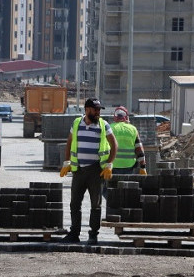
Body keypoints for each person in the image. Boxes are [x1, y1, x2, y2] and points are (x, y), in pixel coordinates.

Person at [59, 98, 118, 245]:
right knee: (74, 204)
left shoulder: (104, 125)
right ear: (87, 109)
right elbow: (69, 142)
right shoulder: (77, 123)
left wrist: (109, 164)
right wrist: (67, 162)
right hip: (78, 170)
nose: (98, 112)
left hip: (96, 171)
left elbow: (114, 144)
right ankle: (74, 233)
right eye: (95, 109)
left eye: (99, 109)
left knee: (95, 204)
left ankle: (93, 235)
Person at [110, 106, 147, 175]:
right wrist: (143, 167)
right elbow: (139, 150)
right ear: (126, 117)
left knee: (112, 185)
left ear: (115, 117)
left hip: (112, 166)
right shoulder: (133, 129)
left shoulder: (109, 128)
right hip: (129, 166)